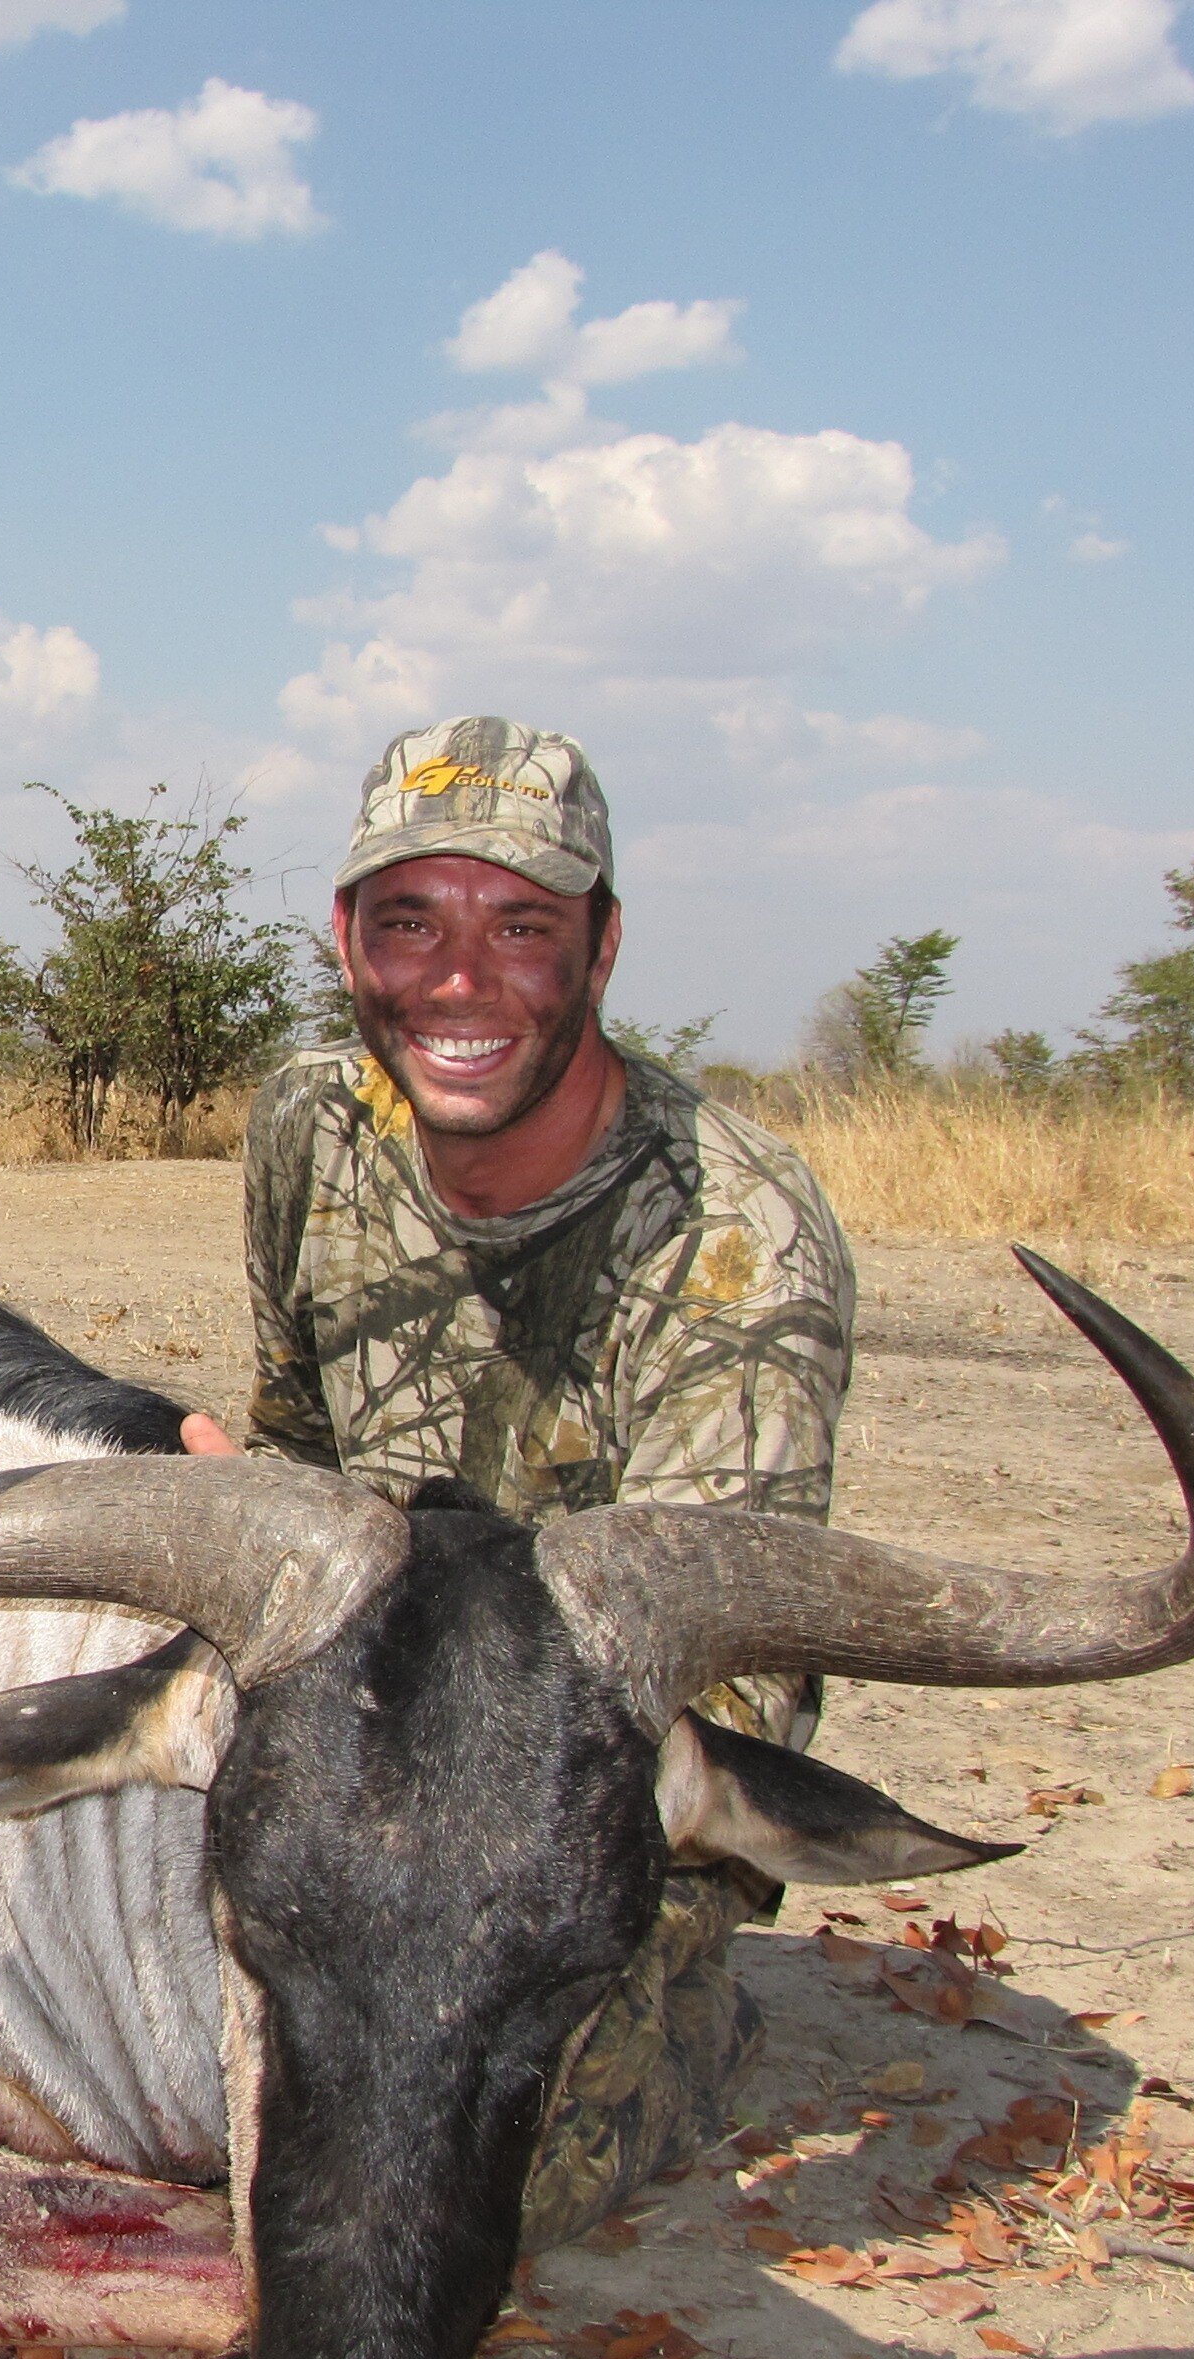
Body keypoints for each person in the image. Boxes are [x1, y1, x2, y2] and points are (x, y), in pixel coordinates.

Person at [184, 715, 854, 2246]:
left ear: (604, 950)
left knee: (448, 2160)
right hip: (354, 1733)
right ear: (347, 940)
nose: (459, 979)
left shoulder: (733, 1240)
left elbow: (731, 1698)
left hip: (580, 1800)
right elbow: (296, 1446)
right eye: (410, 921)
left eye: (524, 927)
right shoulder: (311, 1120)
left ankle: (693, 2028)